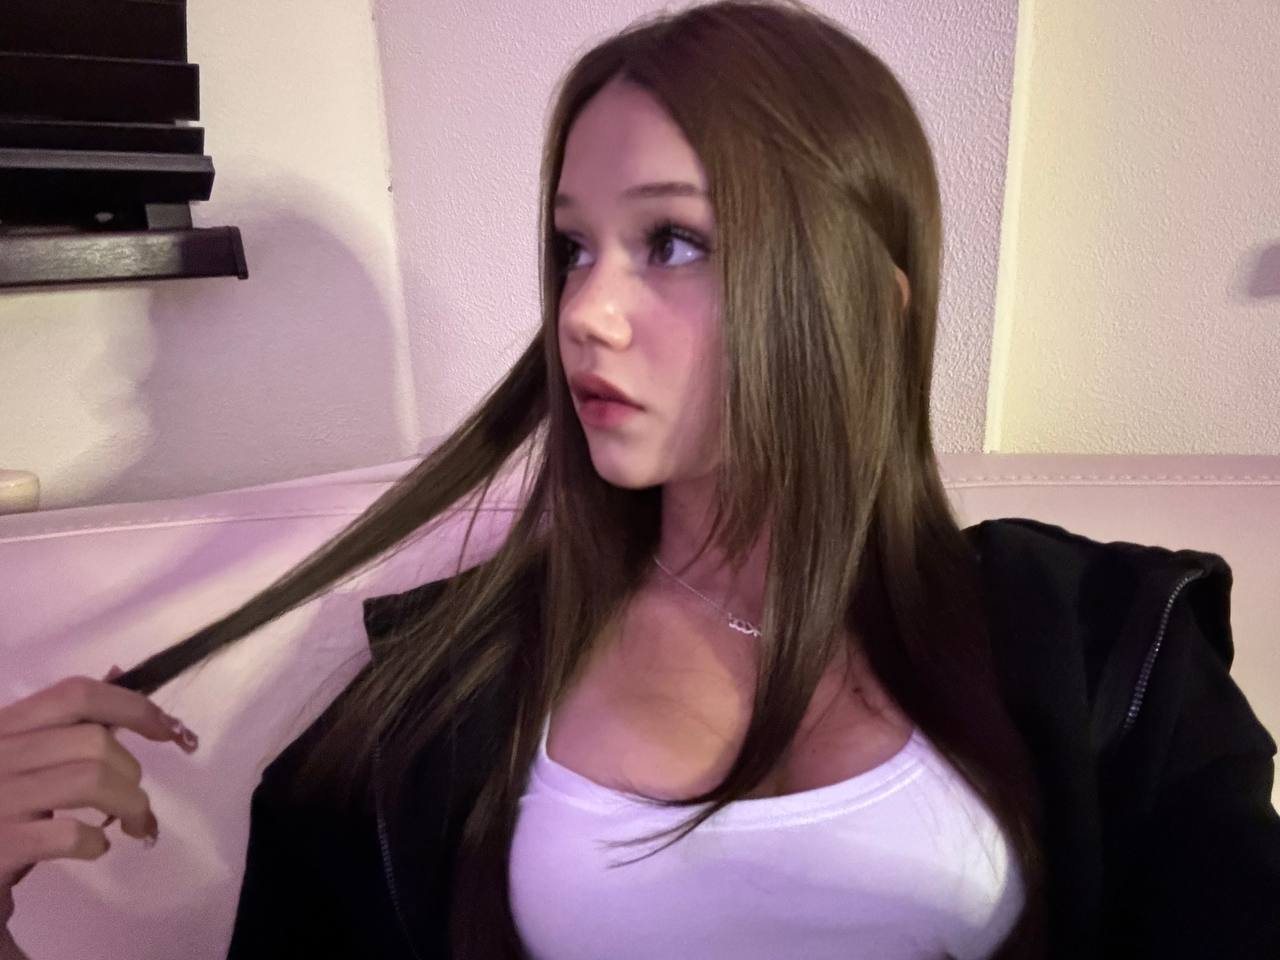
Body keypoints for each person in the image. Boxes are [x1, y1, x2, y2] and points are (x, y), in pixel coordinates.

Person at [3, 2, 1278, 958]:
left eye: (671, 241)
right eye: (573, 248)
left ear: (871, 301)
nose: (585, 312)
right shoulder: (432, 709)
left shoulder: (1108, 646)